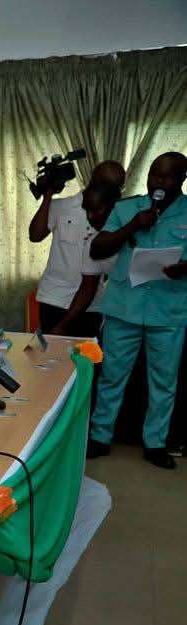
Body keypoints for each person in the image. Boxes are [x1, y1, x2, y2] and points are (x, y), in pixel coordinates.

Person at [87, 152, 187, 469]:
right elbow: (97, 249)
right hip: (124, 306)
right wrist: (133, 225)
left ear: (181, 179)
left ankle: (155, 443)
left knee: (164, 381)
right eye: (154, 174)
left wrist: (183, 268)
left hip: (169, 309)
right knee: (111, 375)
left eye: (166, 177)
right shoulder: (127, 208)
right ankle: (100, 436)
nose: (157, 182)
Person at [29, 160, 125, 337]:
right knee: (52, 352)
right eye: (106, 184)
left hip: (92, 305)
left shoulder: (119, 215)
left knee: (86, 353)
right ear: (94, 178)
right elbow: (35, 235)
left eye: (116, 187)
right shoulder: (62, 206)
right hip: (55, 298)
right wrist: (48, 195)